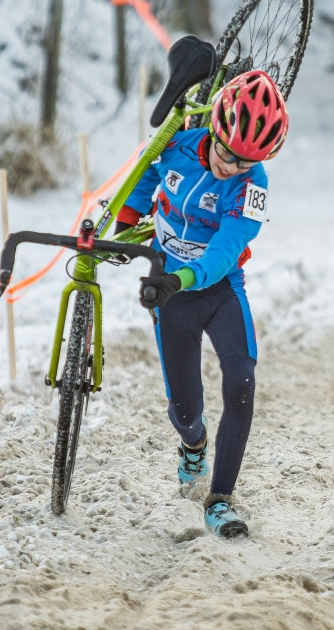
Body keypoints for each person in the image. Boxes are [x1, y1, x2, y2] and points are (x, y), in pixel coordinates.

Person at [110, 69, 288, 539]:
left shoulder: (252, 186)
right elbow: (147, 173)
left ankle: (221, 500)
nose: (232, 167)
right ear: (213, 130)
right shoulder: (179, 145)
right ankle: (194, 445)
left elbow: (226, 250)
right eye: (227, 154)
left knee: (242, 381)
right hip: (172, 298)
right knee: (185, 413)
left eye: (247, 162)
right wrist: (127, 218)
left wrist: (181, 278)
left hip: (218, 291)